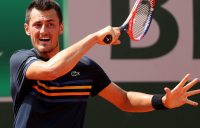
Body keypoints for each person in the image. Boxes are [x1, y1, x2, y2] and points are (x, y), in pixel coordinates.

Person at [10, 0, 200, 128]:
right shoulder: (21, 60)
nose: (44, 30)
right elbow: (51, 70)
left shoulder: (86, 68)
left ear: (60, 28)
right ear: (27, 29)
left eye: (50, 24)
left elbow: (124, 100)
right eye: (37, 24)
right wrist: (93, 38)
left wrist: (163, 102)